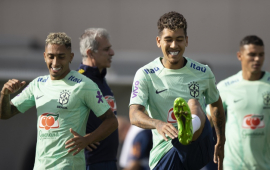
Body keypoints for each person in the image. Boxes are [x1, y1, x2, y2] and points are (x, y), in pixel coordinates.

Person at [0, 32, 118, 170]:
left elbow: (111, 121)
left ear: (70, 57)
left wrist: (87, 139)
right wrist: (4, 94)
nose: (55, 62)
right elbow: (5, 114)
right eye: (51, 56)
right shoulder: (38, 84)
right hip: (41, 166)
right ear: (45, 56)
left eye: (61, 57)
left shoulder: (84, 85)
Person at [128, 11, 226, 170]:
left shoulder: (203, 72)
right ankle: (184, 131)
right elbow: (134, 114)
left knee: (194, 103)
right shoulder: (146, 74)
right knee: (192, 105)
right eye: (168, 40)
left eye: (179, 39)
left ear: (186, 41)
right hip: (166, 151)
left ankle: (189, 126)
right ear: (158, 41)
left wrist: (221, 140)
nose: (174, 45)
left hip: (199, 147)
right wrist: (157, 124)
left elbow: (216, 104)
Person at [206, 35, 270, 170]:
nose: (257, 59)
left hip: (269, 165)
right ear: (240, 55)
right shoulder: (225, 87)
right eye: (252, 54)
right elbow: (208, 120)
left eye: (261, 55)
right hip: (234, 165)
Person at [77, 28, 119, 170]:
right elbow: (56, 113)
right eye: (106, 49)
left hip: (109, 161)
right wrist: (79, 136)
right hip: (89, 162)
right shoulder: (78, 81)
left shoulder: (101, 79)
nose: (112, 53)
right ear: (90, 52)